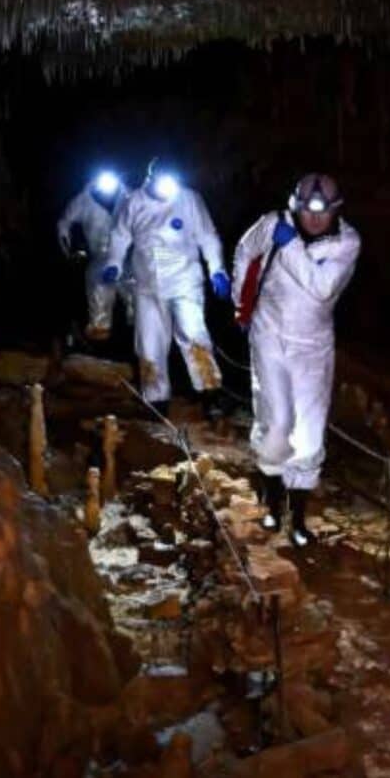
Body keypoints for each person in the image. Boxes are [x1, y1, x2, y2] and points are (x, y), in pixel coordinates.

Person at [231, 173, 359, 547]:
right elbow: (245, 252)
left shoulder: (347, 242)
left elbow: (322, 288)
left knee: (308, 434)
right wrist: (241, 303)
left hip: (313, 346)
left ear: (336, 210)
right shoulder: (273, 223)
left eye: (323, 211)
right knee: (277, 420)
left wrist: (290, 247)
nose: (314, 218)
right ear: (295, 206)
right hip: (269, 334)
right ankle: (272, 503)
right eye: (307, 209)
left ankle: (298, 518)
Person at [102, 158, 230, 418]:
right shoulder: (133, 202)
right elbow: (119, 235)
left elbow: (208, 236)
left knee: (194, 335)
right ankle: (156, 400)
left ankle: (210, 393)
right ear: (150, 180)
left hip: (185, 281)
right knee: (149, 343)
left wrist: (217, 269)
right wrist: (114, 262)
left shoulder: (189, 200)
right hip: (147, 286)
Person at [57, 169, 132, 342]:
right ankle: (99, 329)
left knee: (137, 286)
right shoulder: (83, 200)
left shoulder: (130, 197)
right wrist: (69, 249)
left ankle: (140, 324)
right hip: (100, 255)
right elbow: (64, 223)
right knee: (98, 283)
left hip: (128, 256)